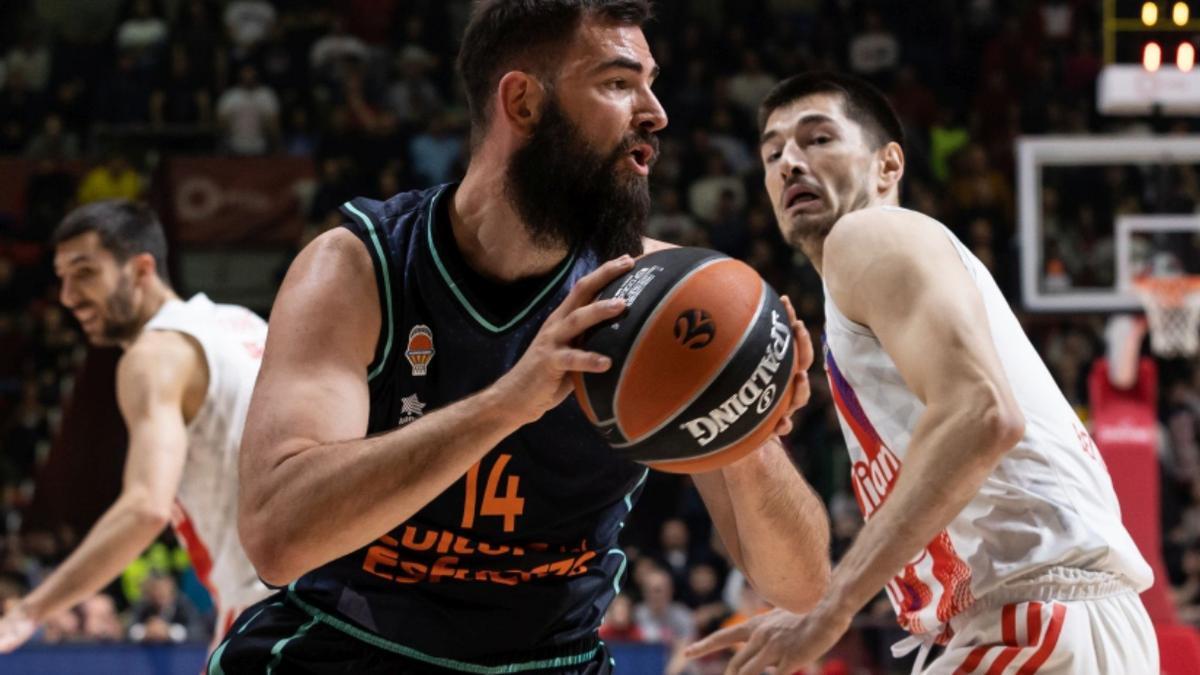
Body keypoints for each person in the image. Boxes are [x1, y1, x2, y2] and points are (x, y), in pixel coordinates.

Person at [218, 1, 831, 672]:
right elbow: (276, 536)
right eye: (619, 83)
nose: (655, 111)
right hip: (349, 646)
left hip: (550, 660)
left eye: (651, 82)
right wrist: (510, 400)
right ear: (523, 103)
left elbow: (798, 587)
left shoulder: (664, 296)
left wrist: (743, 428)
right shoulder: (358, 267)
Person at [687, 72, 1158, 673]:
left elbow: (982, 415)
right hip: (1052, 618)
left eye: (819, 139)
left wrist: (833, 607)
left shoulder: (869, 234)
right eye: (773, 152)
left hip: (1039, 614)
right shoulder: (871, 282)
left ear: (888, 166)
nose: (790, 163)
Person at [0, 200, 271, 654]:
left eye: (85, 272)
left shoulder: (152, 354)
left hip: (269, 608)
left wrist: (30, 610)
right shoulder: (242, 322)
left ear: (141, 268)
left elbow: (146, 507)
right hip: (344, 591)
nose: (67, 296)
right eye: (62, 277)